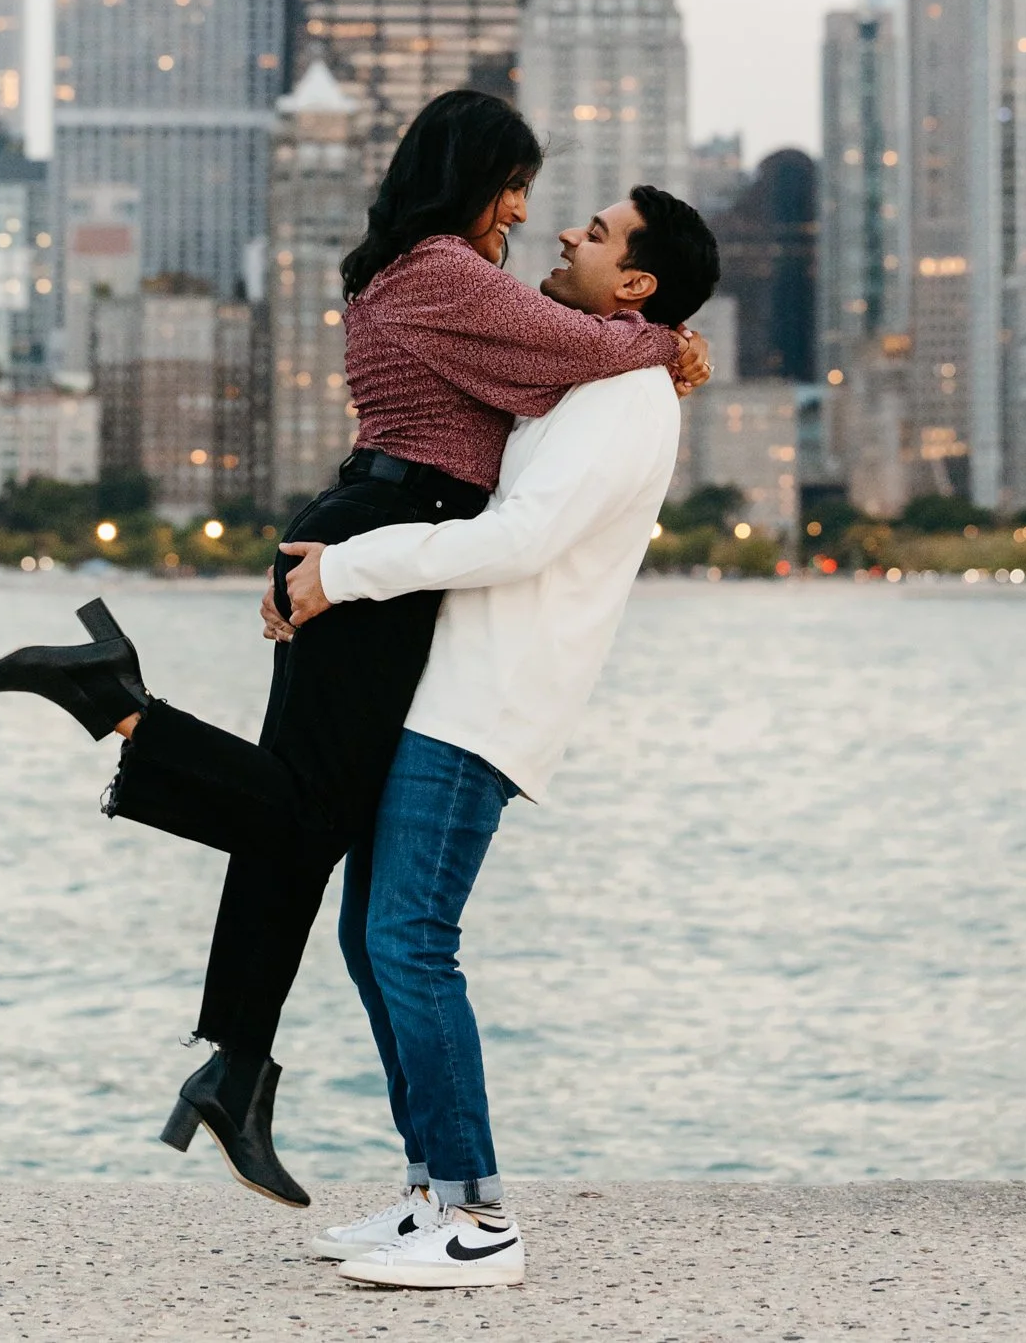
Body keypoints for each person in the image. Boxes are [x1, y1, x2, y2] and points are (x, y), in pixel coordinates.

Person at [0, 93, 709, 1205]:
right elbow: (583, 346)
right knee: (308, 814)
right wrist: (670, 339)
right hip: (386, 537)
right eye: (514, 184)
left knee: (294, 809)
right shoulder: (446, 274)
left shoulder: (414, 267)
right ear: (467, 178)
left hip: (377, 529)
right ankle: (118, 707)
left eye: (566, 212)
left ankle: (237, 1066)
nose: (531, 211)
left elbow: (564, 363)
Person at [278, 187, 720, 1291]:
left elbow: (519, 538)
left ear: (634, 283)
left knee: (411, 940)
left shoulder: (624, 396)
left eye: (600, 232)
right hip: (444, 684)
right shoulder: (592, 372)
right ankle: (429, 1192)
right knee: (368, 937)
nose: (569, 230)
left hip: (487, 700)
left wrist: (345, 571)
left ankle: (478, 1217)